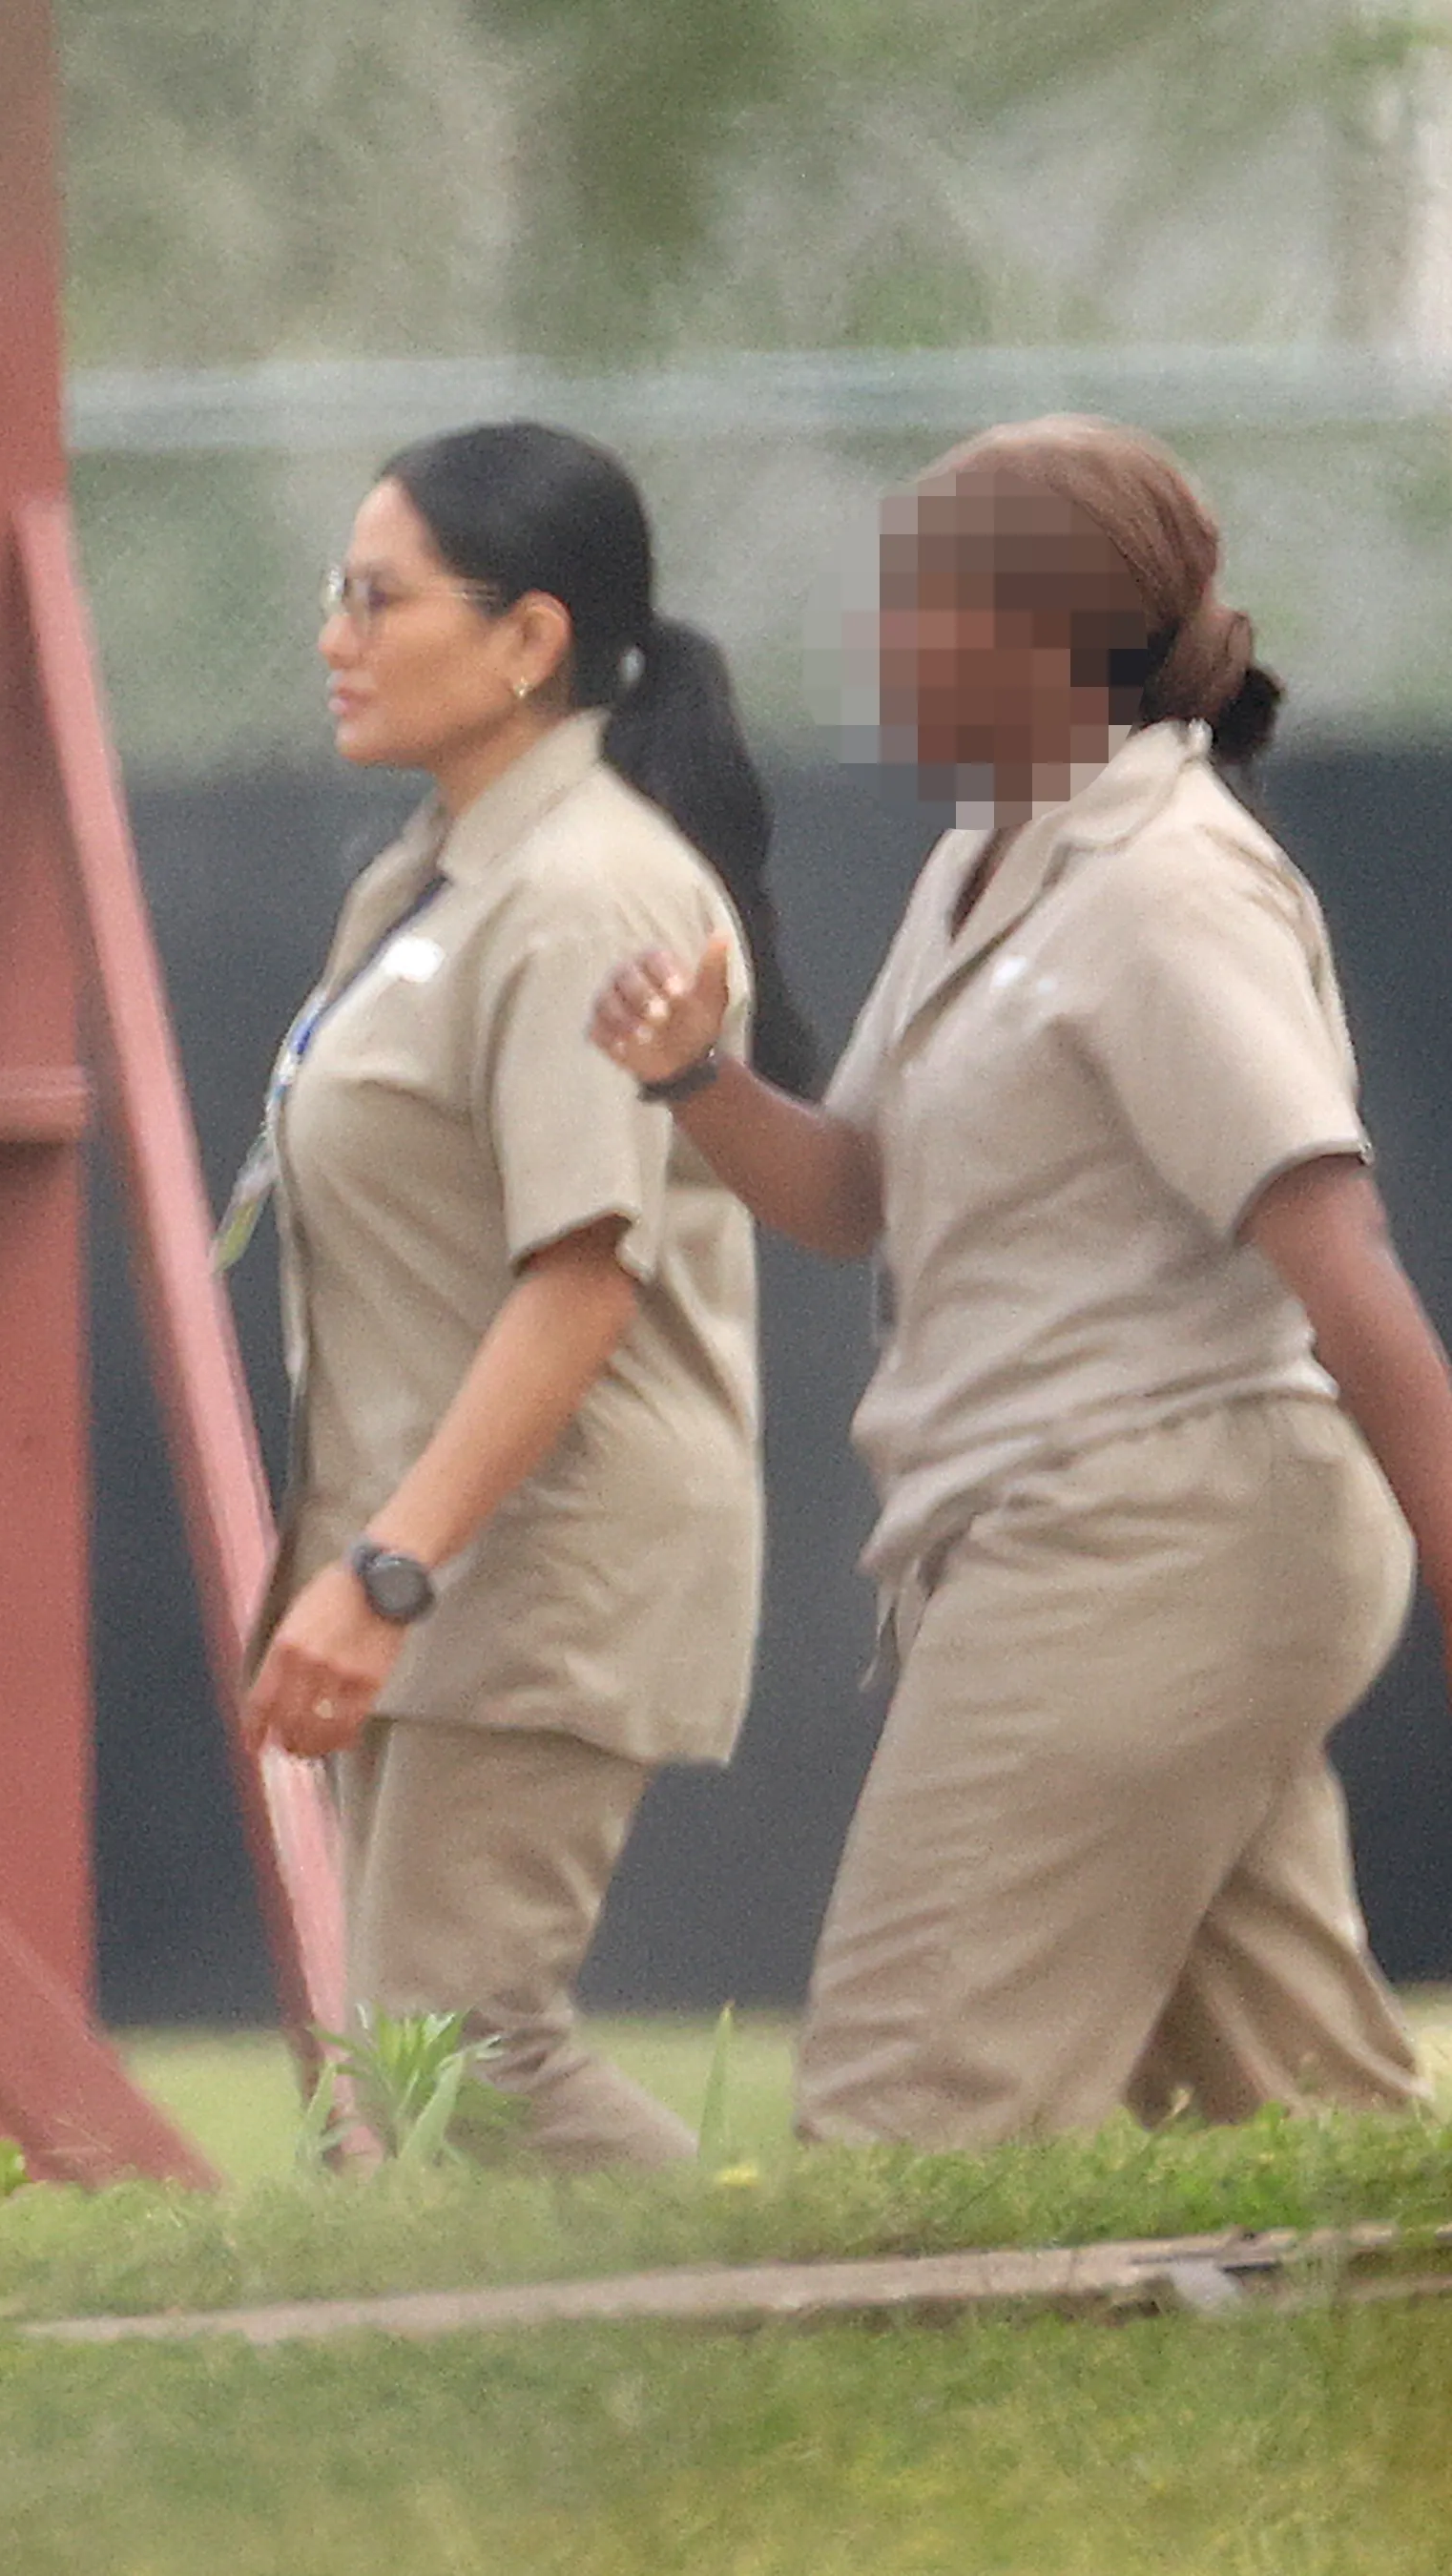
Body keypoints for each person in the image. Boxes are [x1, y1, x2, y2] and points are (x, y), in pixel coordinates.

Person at [591, 413, 1452, 2148]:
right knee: (1297, 2129)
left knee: (912, 2108)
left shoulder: (1164, 884)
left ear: (1045, 640)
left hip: (1158, 1538)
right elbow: (852, 1197)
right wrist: (699, 1080)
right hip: (1076, 1539)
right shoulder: (983, 866)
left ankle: (871, 2420)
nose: (875, 650)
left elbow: (1338, 1254)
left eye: (913, 611)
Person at [238, 420, 814, 2166]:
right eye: (335, 596)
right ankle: (430, 2416)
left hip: (539, 1543)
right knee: (395, 2089)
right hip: (428, 1542)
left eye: (376, 597)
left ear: (529, 638)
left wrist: (386, 1574)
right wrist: (358, 1558)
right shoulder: (427, 879)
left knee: (458, 2057)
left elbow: (583, 1278)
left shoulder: (588, 892)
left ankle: (764, 2349)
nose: (336, 635)